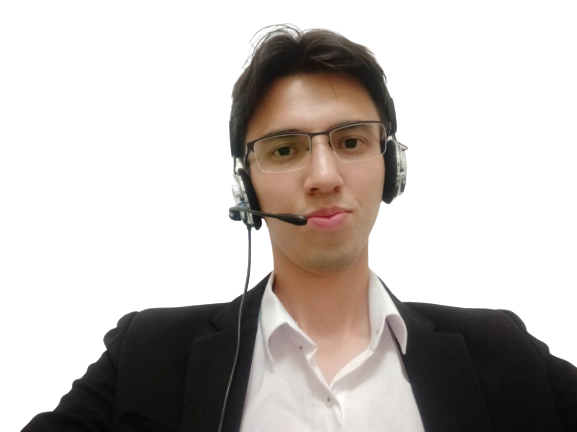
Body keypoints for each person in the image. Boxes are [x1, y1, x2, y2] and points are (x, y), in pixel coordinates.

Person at [23, 25, 576, 432]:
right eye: (285, 150)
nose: (324, 177)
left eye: (351, 141)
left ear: (393, 167)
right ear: (245, 187)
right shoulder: (147, 354)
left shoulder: (503, 351)